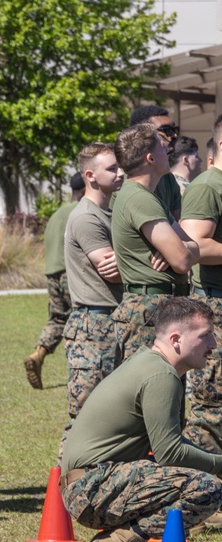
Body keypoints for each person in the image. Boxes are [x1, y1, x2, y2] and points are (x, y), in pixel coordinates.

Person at [61, 297, 222, 542]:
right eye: (205, 336)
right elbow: (169, 451)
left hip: (91, 482)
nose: (213, 344)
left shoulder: (151, 364)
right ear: (176, 339)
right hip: (92, 487)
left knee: (195, 480)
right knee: (206, 488)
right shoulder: (161, 374)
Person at [110, 124, 199, 363]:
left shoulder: (149, 198)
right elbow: (182, 260)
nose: (168, 150)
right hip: (149, 313)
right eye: (162, 147)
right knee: (154, 393)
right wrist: (178, 249)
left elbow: (192, 246)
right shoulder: (140, 199)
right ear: (150, 158)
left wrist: (179, 248)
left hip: (160, 308)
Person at [61, 143, 124, 459]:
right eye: (112, 168)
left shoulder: (111, 211)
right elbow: (110, 271)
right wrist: (149, 259)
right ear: (90, 175)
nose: (120, 172)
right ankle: (63, 493)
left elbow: (118, 264)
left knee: (115, 415)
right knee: (86, 415)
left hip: (114, 320)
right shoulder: (86, 217)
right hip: (93, 325)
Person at [180, 115, 222, 458]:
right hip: (216, 306)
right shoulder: (208, 186)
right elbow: (193, 245)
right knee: (212, 405)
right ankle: (204, 500)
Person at [23, 172, 84, 390]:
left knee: (58, 318)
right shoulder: (83, 210)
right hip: (73, 273)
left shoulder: (58, 213)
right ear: (87, 189)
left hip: (52, 273)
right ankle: (81, 370)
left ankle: (38, 353)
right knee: (82, 317)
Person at [129, 105, 182, 222]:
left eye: (174, 129)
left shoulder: (168, 178)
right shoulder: (126, 180)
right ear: (143, 136)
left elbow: (178, 223)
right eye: (166, 130)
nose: (174, 135)